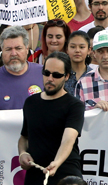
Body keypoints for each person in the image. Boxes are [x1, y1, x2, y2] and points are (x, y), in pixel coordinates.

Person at [18, 51, 85, 185]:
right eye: (46, 73)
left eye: (56, 75)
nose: (50, 78)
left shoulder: (74, 105)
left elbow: (68, 139)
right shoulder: (31, 103)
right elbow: (24, 137)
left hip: (66, 174)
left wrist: (57, 162)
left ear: (66, 76)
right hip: (36, 174)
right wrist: (22, 153)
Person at [0, 26, 44, 110]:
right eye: (8, 49)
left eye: (18, 48)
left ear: (27, 49)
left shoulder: (44, 73)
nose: (13, 53)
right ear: (2, 51)